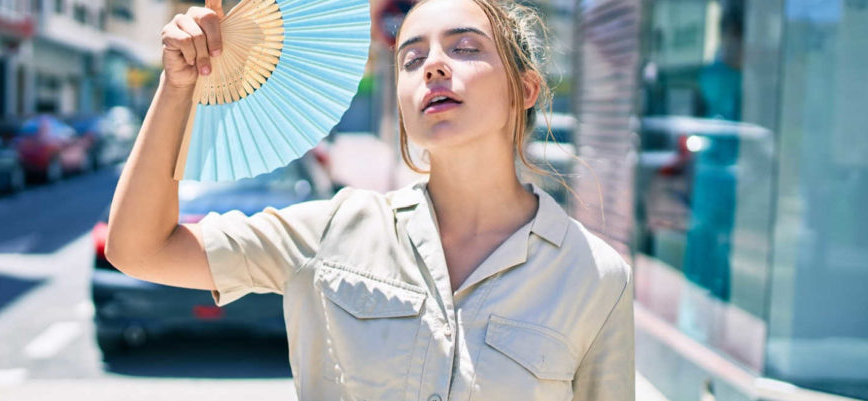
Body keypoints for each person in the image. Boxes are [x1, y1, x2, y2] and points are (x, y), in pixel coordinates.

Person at [105, 0, 634, 399]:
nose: (433, 66)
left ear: (526, 89)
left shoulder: (596, 277)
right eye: (411, 58)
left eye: (466, 48)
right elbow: (139, 248)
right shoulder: (332, 230)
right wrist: (176, 88)